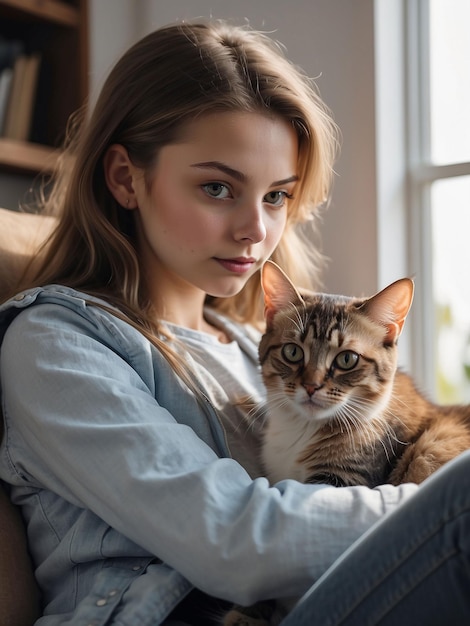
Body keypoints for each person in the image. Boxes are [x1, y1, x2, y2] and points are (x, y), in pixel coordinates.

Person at [0, 19, 469, 626]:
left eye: (277, 195)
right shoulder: (57, 344)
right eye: (219, 187)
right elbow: (233, 541)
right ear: (125, 178)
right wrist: (438, 510)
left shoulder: (259, 345)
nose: (257, 229)